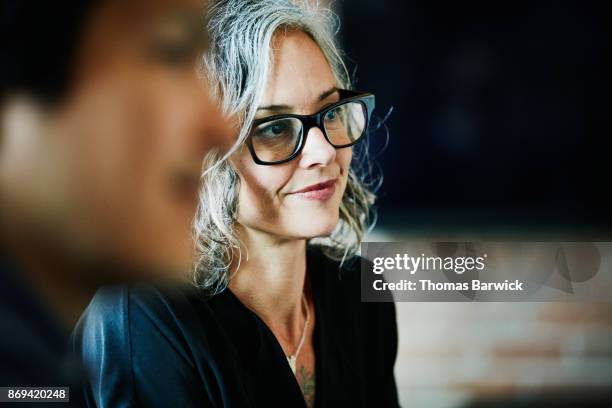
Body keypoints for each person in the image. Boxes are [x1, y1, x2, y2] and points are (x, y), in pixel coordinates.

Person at [75, 0, 399, 407]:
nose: (324, 152)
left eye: (330, 110)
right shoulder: (144, 316)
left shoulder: (359, 293)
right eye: (275, 127)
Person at [0, 0, 231, 401]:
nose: (222, 130)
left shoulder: (361, 272)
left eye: (333, 112)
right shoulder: (151, 310)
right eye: (171, 52)